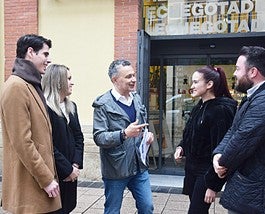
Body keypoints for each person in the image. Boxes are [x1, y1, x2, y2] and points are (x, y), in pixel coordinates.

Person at [0, 34, 61, 213]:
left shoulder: (30, 84)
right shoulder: (16, 87)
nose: (48, 60)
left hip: (37, 182)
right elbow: (22, 142)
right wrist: (46, 179)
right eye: (45, 54)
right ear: (30, 52)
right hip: (30, 183)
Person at [92, 59, 154, 214]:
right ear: (115, 79)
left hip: (139, 165)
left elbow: (142, 126)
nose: (133, 79)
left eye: (133, 75)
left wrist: (147, 136)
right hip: (116, 168)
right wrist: (124, 134)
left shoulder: (137, 99)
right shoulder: (102, 104)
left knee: (147, 207)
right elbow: (99, 137)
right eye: (128, 77)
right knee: (112, 210)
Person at [174, 65, 237, 214]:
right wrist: (181, 147)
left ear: (209, 84)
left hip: (206, 172)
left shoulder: (220, 110)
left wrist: (213, 185)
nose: (192, 86)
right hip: (192, 169)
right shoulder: (200, 106)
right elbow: (191, 133)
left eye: (196, 82)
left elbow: (222, 149)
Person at [213, 46, 265, 214]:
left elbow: (243, 137)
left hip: (255, 192)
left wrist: (222, 163)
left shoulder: (264, 100)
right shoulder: (253, 96)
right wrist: (218, 153)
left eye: (238, 69)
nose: (235, 74)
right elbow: (234, 130)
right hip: (249, 188)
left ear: (253, 72)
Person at [41, 64, 84, 213]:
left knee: (68, 206)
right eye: (69, 78)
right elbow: (47, 144)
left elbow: (79, 137)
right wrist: (67, 170)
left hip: (72, 171)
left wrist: (76, 165)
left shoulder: (72, 106)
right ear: (58, 82)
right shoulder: (44, 108)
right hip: (56, 173)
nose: (72, 82)